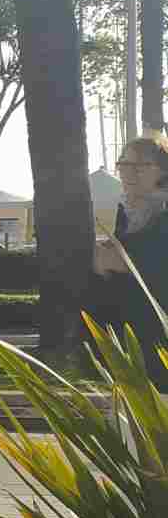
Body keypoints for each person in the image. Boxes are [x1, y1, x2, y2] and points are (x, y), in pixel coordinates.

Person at [93, 132, 168, 385]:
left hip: (159, 329)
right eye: (124, 164)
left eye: (141, 165)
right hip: (128, 327)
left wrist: (125, 263)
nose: (129, 172)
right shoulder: (126, 210)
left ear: (161, 170)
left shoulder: (163, 209)